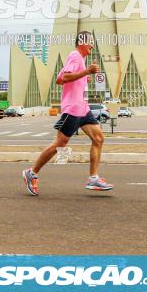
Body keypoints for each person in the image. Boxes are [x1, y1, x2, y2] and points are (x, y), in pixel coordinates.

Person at [22, 31, 113, 195]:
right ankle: (31, 173)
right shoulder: (75, 56)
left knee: (98, 138)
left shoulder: (80, 60)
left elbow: (59, 79)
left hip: (83, 109)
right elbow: (64, 78)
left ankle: (93, 179)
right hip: (72, 109)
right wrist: (85, 73)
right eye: (90, 42)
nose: (92, 45)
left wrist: (83, 76)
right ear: (82, 42)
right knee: (60, 144)